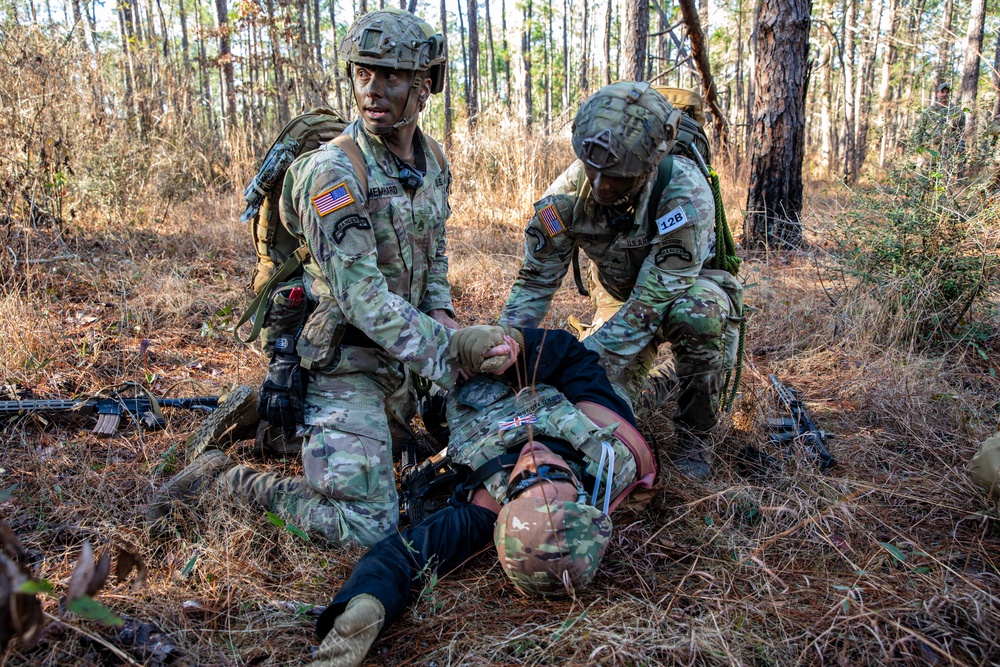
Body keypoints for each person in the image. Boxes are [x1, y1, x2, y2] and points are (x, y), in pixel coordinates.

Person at [146, 9, 516, 547]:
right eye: (362, 74)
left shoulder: (432, 159)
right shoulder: (333, 173)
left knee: (494, 413)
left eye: (390, 76)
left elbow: (433, 257)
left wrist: (444, 322)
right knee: (368, 526)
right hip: (344, 360)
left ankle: (284, 426)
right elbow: (363, 300)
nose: (372, 90)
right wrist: (450, 351)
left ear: (425, 84)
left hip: (407, 351)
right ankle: (224, 481)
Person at [305, 327, 657, 667]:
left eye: (521, 484)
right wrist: (515, 344)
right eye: (553, 474)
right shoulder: (607, 452)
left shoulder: (485, 511)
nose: (533, 460)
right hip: (531, 367)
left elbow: (402, 555)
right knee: (639, 373)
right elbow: (575, 358)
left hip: (451, 387)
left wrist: (366, 606)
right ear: (581, 495)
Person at [500, 82, 742, 479]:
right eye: (593, 170)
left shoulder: (683, 192)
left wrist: (581, 360)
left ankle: (696, 435)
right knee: (602, 405)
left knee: (696, 315)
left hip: (687, 293)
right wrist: (503, 345)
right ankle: (659, 385)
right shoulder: (564, 198)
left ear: (649, 165)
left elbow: (654, 299)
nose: (601, 186)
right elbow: (533, 283)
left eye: (617, 177)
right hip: (619, 300)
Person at [909, 82, 965, 162]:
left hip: (946, 154)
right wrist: (917, 151)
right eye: (942, 92)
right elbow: (918, 131)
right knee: (924, 173)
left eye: (947, 92)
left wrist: (959, 151)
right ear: (937, 94)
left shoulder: (957, 112)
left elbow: (960, 134)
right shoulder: (928, 112)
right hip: (927, 153)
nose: (945, 95)